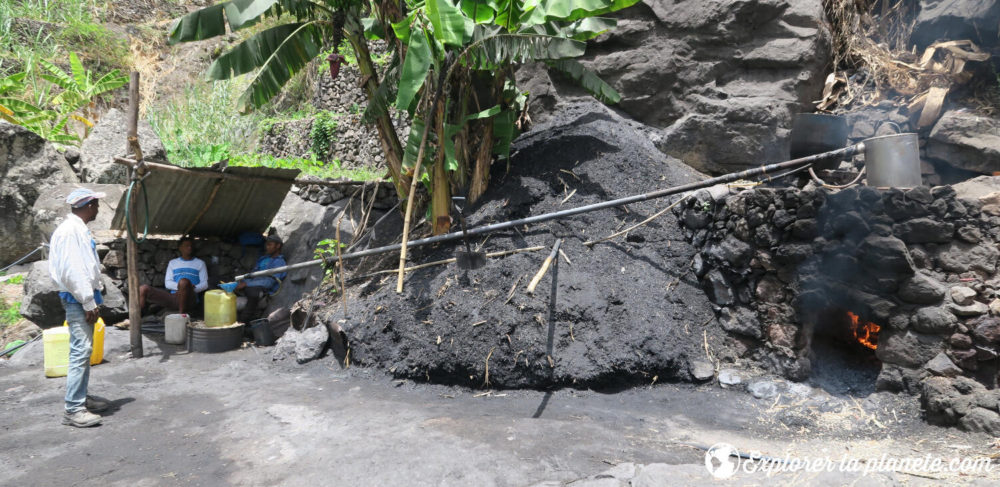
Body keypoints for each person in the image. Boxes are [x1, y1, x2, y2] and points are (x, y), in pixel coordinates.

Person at [48, 187, 110, 428]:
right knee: (80, 350)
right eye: (96, 204)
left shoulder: (76, 230)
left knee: (83, 350)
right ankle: (73, 408)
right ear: (89, 205)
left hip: (82, 295)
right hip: (77, 297)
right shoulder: (70, 232)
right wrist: (87, 300)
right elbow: (72, 270)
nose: (98, 208)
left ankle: (80, 398)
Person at [138, 236, 208, 315]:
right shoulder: (173, 263)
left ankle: (181, 315)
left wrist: (190, 288)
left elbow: (205, 284)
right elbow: (168, 283)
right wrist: (181, 288)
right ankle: (137, 316)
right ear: (180, 248)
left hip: (191, 298)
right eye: (186, 246)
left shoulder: (200, 263)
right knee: (143, 288)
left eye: (191, 246)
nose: (189, 248)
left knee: (184, 282)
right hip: (174, 297)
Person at [236, 234, 287, 322]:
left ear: (278, 246)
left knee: (253, 293)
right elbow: (252, 274)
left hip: (261, 290)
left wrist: (246, 284)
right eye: (266, 244)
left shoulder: (279, 263)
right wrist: (242, 282)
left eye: (269, 244)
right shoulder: (263, 259)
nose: (267, 247)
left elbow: (269, 283)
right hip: (250, 285)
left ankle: (244, 321)